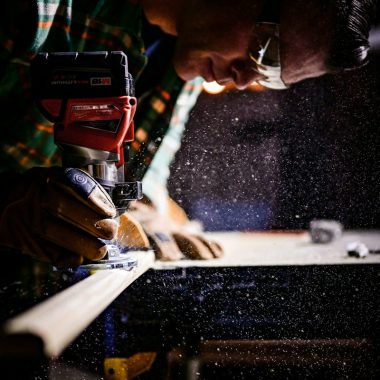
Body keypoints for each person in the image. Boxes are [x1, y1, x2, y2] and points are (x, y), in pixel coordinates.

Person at [0, 0, 376, 267]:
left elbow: (146, 185)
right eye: (265, 52)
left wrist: (148, 218)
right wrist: (6, 204)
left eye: (271, 77)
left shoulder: (187, 65)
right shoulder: (39, 9)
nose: (244, 80)